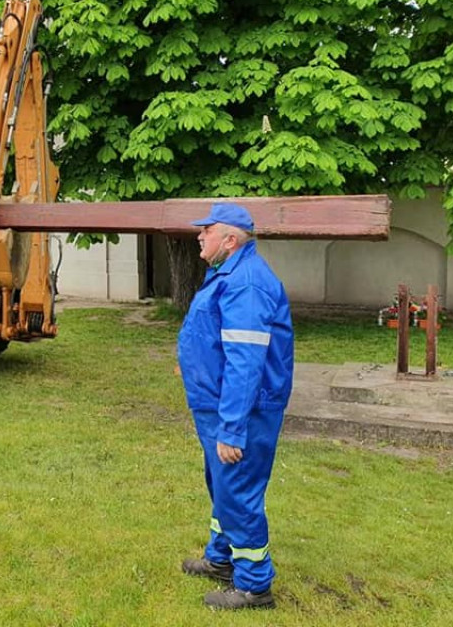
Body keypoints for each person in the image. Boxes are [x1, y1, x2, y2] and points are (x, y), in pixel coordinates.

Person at [176, 203, 294, 610]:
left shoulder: (245, 282)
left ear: (230, 239)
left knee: (238, 491)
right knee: (223, 486)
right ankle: (222, 559)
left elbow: (246, 364)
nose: (199, 236)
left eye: (206, 231)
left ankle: (255, 586)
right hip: (218, 404)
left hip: (242, 410)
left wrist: (231, 429)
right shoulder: (228, 274)